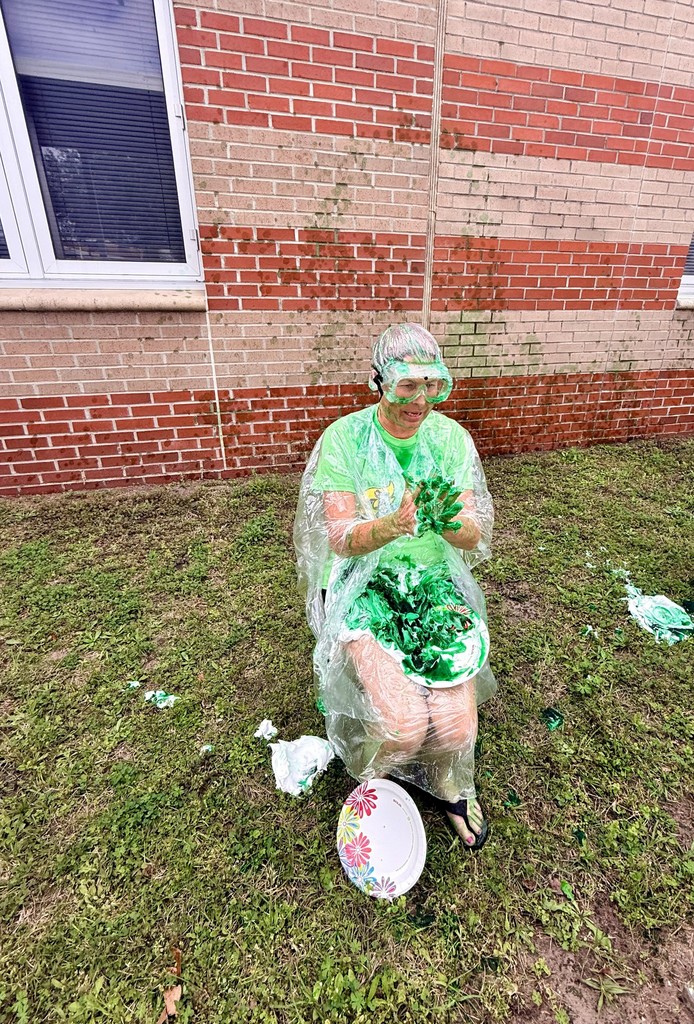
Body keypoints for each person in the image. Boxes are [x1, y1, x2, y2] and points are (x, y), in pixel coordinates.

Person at [294, 323, 497, 848]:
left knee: (454, 730)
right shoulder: (345, 439)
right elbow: (338, 537)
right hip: (367, 581)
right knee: (405, 726)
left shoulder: (452, 439)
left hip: (432, 583)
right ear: (378, 381)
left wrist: (445, 519)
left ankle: (450, 780)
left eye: (432, 384)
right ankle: (372, 778)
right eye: (408, 385)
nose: (421, 399)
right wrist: (391, 525)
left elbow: (475, 535)